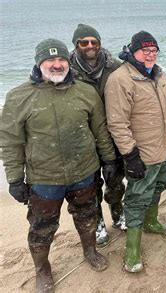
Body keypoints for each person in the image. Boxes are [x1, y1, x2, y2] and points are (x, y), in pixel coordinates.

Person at [0, 38, 117, 292]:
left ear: (69, 60)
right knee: (42, 228)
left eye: (61, 59)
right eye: (50, 60)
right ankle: (42, 270)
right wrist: (14, 179)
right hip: (44, 178)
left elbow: (100, 130)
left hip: (85, 171)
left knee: (87, 215)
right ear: (39, 63)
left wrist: (108, 159)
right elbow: (10, 142)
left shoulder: (85, 91)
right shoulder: (19, 97)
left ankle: (90, 251)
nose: (56, 65)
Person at [104, 31, 166, 272]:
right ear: (133, 51)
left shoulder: (159, 73)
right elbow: (117, 122)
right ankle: (132, 251)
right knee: (137, 199)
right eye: (145, 50)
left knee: (161, 183)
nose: (150, 55)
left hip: (163, 149)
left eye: (154, 51)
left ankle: (151, 222)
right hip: (142, 153)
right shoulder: (121, 79)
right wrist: (130, 155)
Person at [69, 23, 125, 247]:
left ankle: (118, 213)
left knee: (115, 180)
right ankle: (98, 223)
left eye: (94, 42)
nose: (90, 46)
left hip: (112, 133)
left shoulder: (115, 66)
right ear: (76, 45)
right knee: (90, 188)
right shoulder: (67, 71)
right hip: (84, 138)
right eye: (84, 42)